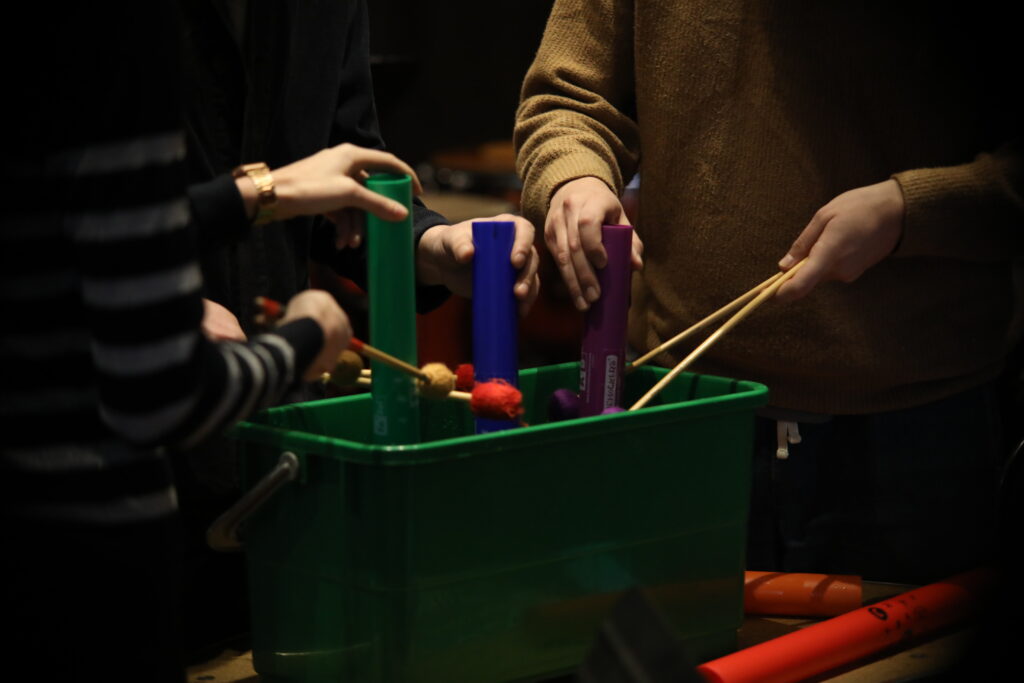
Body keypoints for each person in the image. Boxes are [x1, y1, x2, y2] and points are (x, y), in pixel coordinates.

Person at [515, 0, 1023, 584]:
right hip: (684, 410)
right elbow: (567, 99)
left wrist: (912, 211)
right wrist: (574, 174)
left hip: (921, 430)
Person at [0, 5, 391, 681]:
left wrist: (254, 194)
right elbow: (163, 392)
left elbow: (67, 238)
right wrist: (305, 340)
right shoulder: (118, 36)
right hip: (83, 575)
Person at [172, 0, 542, 659]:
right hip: (118, 472)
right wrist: (159, 298)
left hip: (278, 464)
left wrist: (431, 246)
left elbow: (341, 187)